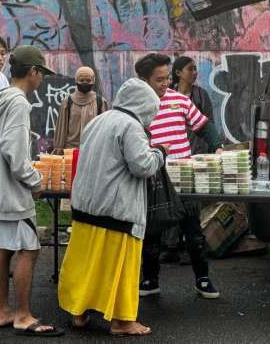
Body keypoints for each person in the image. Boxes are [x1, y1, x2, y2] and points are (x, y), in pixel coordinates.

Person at [58, 77, 165, 337]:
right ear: (144, 106)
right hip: (116, 211)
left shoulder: (99, 120)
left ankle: (79, 311)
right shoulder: (131, 126)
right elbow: (142, 166)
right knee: (120, 267)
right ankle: (122, 321)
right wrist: (161, 153)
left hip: (87, 207)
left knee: (86, 264)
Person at [0, 45, 63, 337]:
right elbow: (15, 155)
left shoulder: (0, 99)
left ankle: (3, 312)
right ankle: (23, 315)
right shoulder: (18, 103)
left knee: (2, 250)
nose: (42, 79)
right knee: (29, 250)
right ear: (33, 72)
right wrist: (35, 181)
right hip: (13, 192)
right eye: (41, 73)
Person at [135, 53, 222, 299]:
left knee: (193, 231)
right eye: (158, 79)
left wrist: (217, 146)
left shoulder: (179, 100)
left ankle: (203, 279)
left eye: (166, 78)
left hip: (184, 174)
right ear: (144, 80)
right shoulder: (137, 107)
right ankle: (150, 279)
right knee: (151, 232)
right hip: (153, 175)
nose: (164, 84)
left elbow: (203, 125)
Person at [161, 56, 220, 264]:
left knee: (191, 203)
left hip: (196, 155)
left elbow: (207, 124)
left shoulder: (200, 95)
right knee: (171, 200)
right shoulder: (166, 95)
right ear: (178, 72)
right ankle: (170, 246)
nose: (195, 72)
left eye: (195, 69)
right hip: (170, 159)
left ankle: (190, 248)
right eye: (190, 69)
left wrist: (214, 148)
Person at [53, 66, 109, 152]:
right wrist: (59, 150)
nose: (85, 83)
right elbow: (61, 129)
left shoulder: (100, 102)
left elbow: (105, 130)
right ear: (76, 81)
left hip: (92, 151)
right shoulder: (67, 102)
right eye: (82, 80)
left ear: (93, 81)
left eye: (88, 80)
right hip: (70, 152)